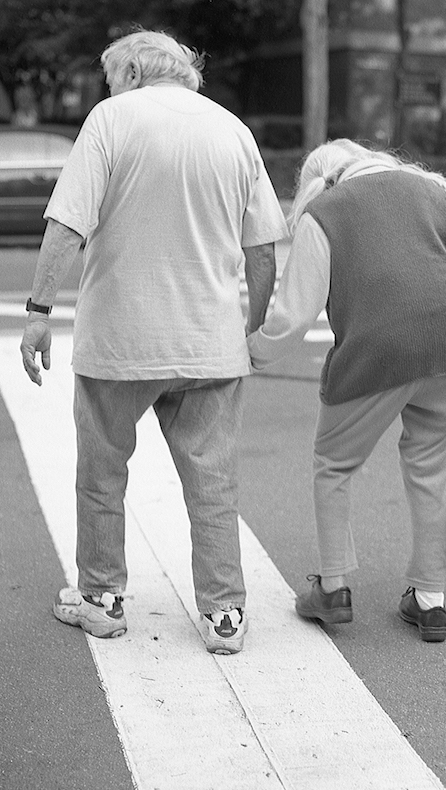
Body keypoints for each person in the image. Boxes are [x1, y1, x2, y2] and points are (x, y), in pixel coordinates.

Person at [19, 29, 288, 655]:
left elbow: (66, 226)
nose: (107, 87)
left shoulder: (112, 121)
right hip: (209, 343)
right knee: (212, 480)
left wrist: (39, 312)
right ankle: (225, 615)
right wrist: (248, 327)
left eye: (111, 76)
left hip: (120, 341)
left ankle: (103, 599)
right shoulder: (233, 131)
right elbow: (263, 252)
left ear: (135, 71)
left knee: (102, 473)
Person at [247, 140, 446, 642]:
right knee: (431, 470)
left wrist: (251, 352)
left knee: (333, 463)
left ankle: (333, 587)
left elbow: (292, 316)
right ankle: (430, 601)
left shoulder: (323, 213)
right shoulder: (435, 192)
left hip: (375, 351)